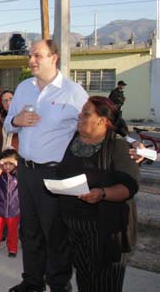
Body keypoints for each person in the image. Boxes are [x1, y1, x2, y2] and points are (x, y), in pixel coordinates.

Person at [4, 39, 88, 292]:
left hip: (54, 174)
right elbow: (8, 124)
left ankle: (59, 285)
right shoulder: (23, 88)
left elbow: (95, 126)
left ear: (54, 58)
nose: (31, 60)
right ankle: (32, 281)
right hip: (26, 171)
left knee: (55, 234)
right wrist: (17, 120)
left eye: (38, 56)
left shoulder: (73, 92)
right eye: (30, 56)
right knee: (29, 230)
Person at [57, 96, 139, 292]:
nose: (80, 115)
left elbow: (129, 186)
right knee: (84, 280)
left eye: (86, 113)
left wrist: (102, 193)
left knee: (105, 284)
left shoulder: (118, 146)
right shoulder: (75, 142)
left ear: (102, 121)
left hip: (106, 232)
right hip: (76, 228)